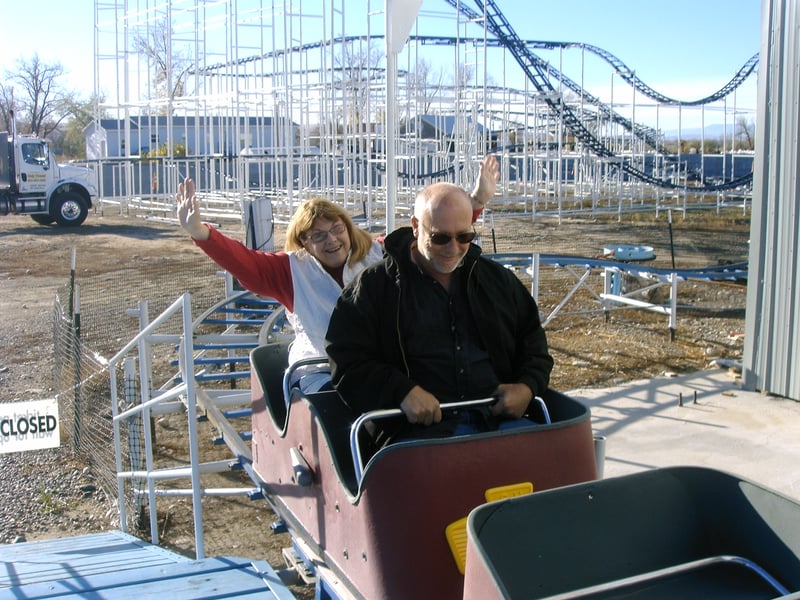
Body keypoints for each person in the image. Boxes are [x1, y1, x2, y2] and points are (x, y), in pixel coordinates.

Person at [176, 155, 499, 391]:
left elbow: (433, 237)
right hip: (322, 367)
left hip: (382, 365)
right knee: (336, 405)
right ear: (304, 241)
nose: (331, 240)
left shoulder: (378, 252)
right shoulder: (291, 270)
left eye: (336, 229)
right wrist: (200, 232)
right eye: (318, 235)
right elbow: (243, 262)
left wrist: (476, 201)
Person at [325, 180, 553, 440]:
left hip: (499, 422)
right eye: (440, 237)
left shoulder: (497, 281)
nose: (453, 248)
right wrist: (401, 392)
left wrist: (526, 387)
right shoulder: (374, 289)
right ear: (415, 227)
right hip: (415, 433)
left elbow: (533, 342)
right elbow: (346, 361)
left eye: (464, 236)